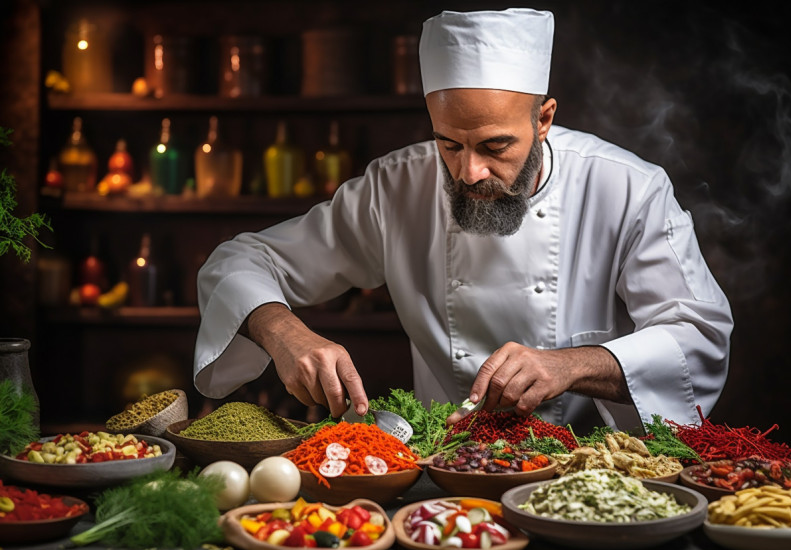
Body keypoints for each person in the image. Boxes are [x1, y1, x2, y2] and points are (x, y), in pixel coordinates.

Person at [193, 8, 733, 433]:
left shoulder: (627, 187)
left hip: (594, 468)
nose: (469, 171)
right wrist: (283, 331)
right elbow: (239, 260)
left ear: (543, 118)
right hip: (442, 468)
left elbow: (699, 336)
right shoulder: (395, 186)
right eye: (449, 143)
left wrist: (571, 366)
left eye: (495, 145)